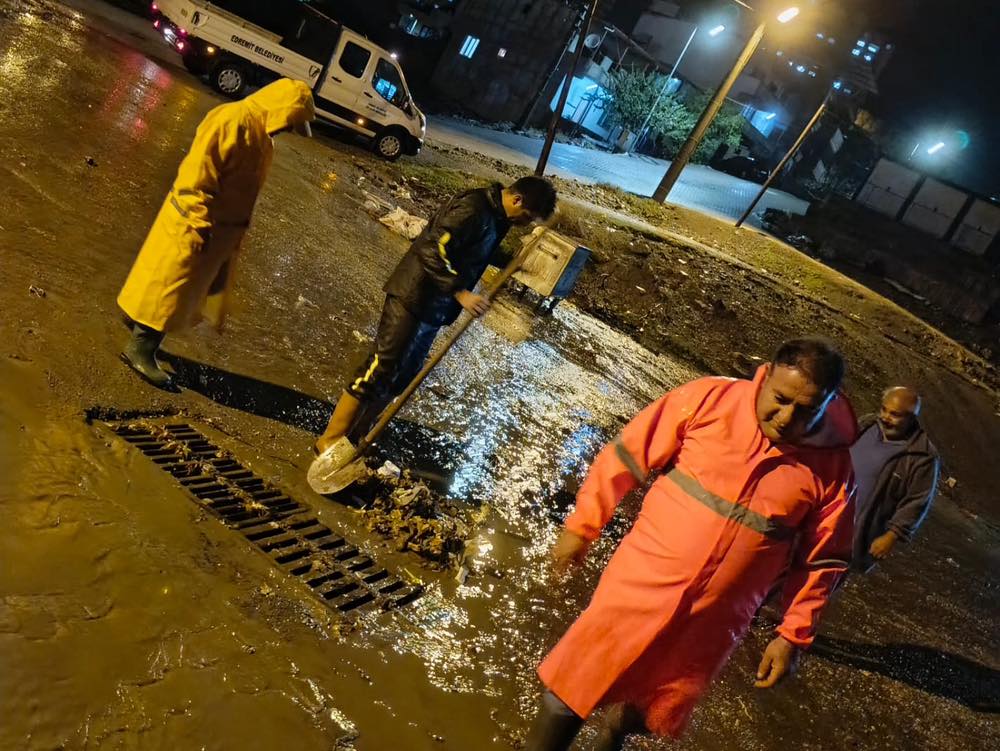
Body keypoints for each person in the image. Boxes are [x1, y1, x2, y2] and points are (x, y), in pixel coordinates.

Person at [525, 338, 858, 751]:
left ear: (827, 404)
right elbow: (627, 455)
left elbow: (823, 559)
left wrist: (793, 635)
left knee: (645, 705)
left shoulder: (833, 467)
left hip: (714, 618)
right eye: (781, 399)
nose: (788, 416)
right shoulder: (708, 399)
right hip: (643, 581)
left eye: (807, 409)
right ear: (766, 375)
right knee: (575, 681)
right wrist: (583, 525)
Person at [313, 176, 557, 453]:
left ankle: (355, 438)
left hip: (434, 307)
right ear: (517, 200)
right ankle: (329, 441)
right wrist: (460, 292)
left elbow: (477, 248)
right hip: (412, 295)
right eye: (525, 217)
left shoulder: (497, 218)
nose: (522, 224)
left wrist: (518, 259)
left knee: (402, 377)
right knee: (381, 366)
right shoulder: (473, 208)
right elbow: (432, 247)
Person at [117, 78, 316, 388]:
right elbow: (198, 174)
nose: (288, 130)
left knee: (176, 288)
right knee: (170, 286)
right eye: (290, 122)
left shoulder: (263, 137)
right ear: (279, 109)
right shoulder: (230, 120)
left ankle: (137, 322)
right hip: (197, 223)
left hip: (218, 231)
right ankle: (140, 348)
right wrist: (197, 224)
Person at [850, 386, 939, 573]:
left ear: (911, 419)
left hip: (860, 531)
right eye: (883, 409)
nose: (884, 417)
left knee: (825, 582)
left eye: (894, 414)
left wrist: (892, 535)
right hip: (827, 515)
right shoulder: (867, 425)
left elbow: (917, 501)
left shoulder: (922, 456)